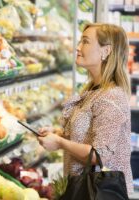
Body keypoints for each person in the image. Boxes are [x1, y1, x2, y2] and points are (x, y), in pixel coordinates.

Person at [38, 23, 133, 194]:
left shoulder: (112, 97)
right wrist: (59, 134)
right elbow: (87, 137)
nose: (78, 47)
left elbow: (99, 155)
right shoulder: (93, 90)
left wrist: (60, 143)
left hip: (100, 193)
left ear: (106, 51)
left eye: (85, 42)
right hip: (83, 189)